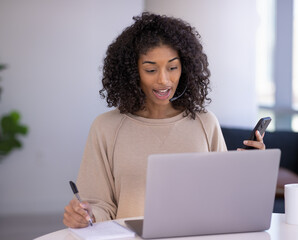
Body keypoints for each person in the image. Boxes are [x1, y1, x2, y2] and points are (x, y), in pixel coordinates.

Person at [63, 12, 265, 228]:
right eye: (150, 69)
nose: (164, 80)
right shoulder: (106, 127)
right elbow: (99, 204)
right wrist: (86, 215)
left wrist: (252, 170)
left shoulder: (205, 123)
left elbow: (225, 199)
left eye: (172, 67)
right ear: (132, 72)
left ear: (185, 68)